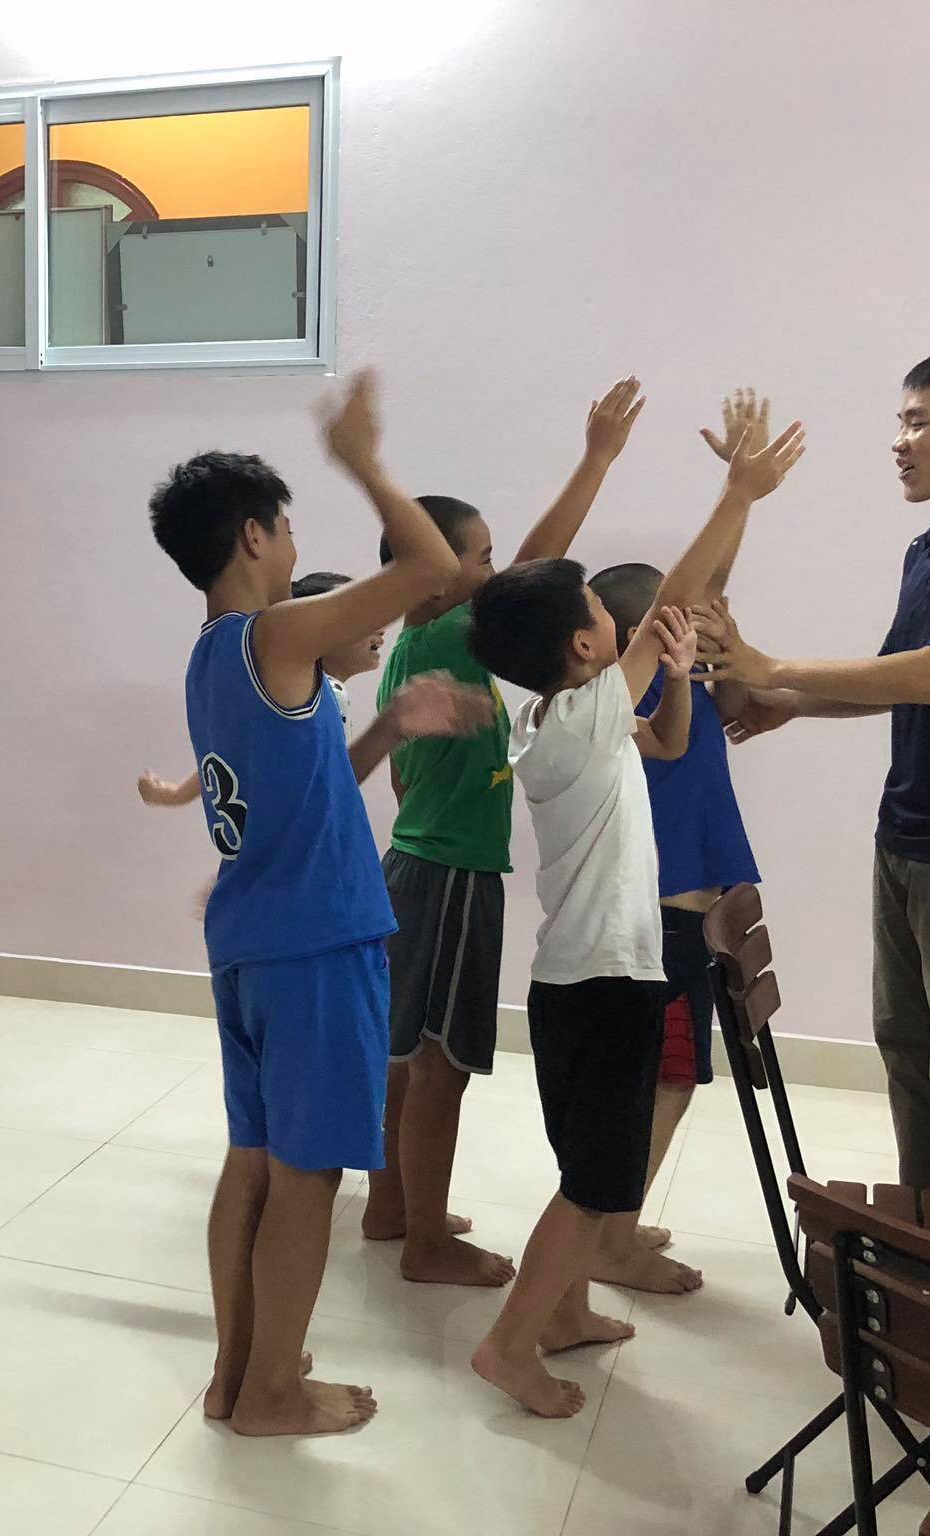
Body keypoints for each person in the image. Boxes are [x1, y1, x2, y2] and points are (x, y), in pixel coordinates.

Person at [149, 372, 490, 1437]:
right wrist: (362, 460)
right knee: (308, 1178)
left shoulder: (214, 658)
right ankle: (271, 1394)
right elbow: (432, 567)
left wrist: (389, 727)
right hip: (315, 945)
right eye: (288, 527)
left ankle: (237, 1375)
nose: (295, 545)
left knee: (254, 1164)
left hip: (254, 945)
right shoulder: (274, 634)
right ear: (253, 536)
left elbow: (310, 790)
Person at [464, 418, 805, 1418]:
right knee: (591, 1187)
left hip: (581, 980)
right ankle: (509, 1345)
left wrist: (681, 676)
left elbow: (666, 740)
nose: (637, 628)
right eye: (602, 617)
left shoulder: (560, 720)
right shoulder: (577, 718)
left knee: (589, 1170)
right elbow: (671, 606)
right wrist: (737, 496)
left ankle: (563, 1314)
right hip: (604, 983)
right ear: (585, 643)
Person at [698, 344, 930, 1198]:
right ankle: (920, 1238)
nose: (899, 443)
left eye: (916, 422)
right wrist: (791, 701)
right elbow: (896, 679)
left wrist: (769, 664)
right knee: (907, 1049)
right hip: (906, 833)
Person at [363, 378, 647, 1291]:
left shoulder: (418, 647)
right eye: (479, 558)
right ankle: (424, 1241)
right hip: (449, 876)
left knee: (409, 1055)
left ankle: (391, 1205)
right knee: (440, 1067)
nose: (495, 573)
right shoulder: (450, 637)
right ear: (436, 572)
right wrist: (596, 459)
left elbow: (404, 777)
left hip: (421, 863)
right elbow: (539, 568)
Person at [578, 387, 774, 1289]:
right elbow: (698, 590)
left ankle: (614, 1226)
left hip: (678, 917)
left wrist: (741, 492)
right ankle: (610, 1240)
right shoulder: (640, 688)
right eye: (678, 617)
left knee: (667, 1080)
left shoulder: (673, 682)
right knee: (664, 1082)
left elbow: (710, 591)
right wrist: (737, 493)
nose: (697, 620)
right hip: (661, 923)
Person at [137, 571, 380, 809]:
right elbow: (334, 786)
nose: (380, 626)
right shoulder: (330, 695)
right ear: (315, 634)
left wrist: (176, 794)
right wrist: (387, 730)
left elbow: (233, 753)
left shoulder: (279, 694)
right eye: (360, 617)